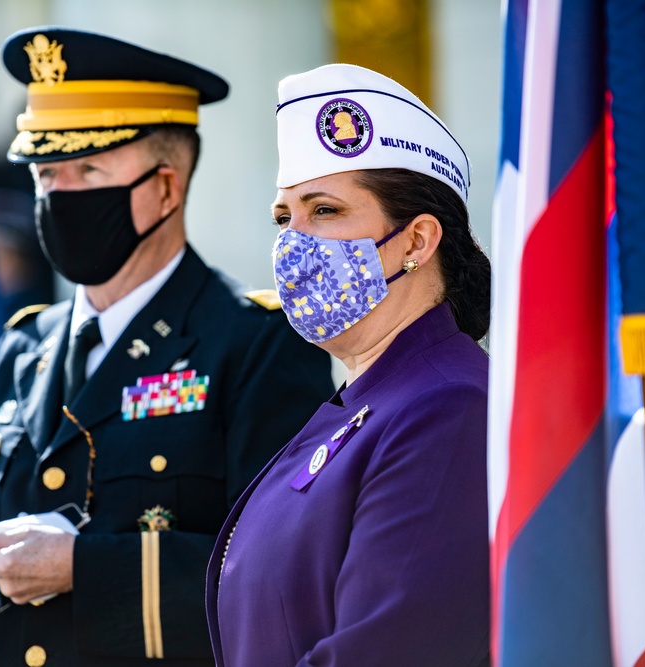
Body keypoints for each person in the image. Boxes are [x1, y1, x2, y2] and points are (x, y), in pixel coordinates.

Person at [0, 27, 334, 666]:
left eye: (88, 169)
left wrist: (84, 568)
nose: (59, 196)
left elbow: (288, 571)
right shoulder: (25, 345)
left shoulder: (257, 343)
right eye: (45, 173)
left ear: (167, 188)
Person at [205, 64, 491, 666]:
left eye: (325, 210)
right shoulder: (365, 404)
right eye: (285, 217)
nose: (293, 242)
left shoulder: (448, 407)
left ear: (416, 241)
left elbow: (390, 647)